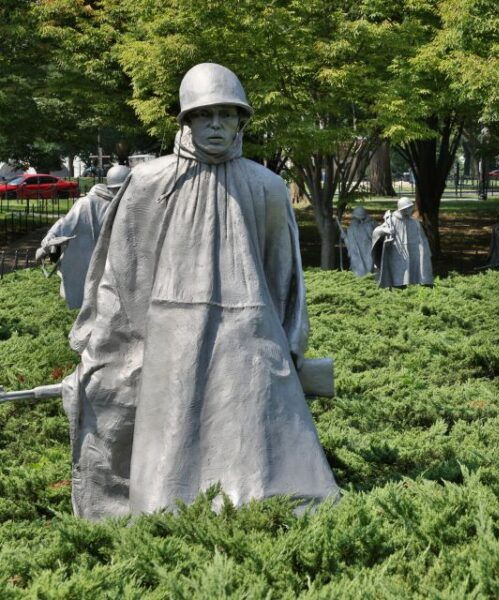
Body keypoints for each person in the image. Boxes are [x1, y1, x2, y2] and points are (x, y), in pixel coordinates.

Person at [64, 63, 338, 519]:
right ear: (187, 122)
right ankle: (169, 517)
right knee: (172, 442)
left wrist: (289, 343)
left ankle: (263, 511)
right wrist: (107, 343)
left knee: (253, 441)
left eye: (226, 116)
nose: (215, 126)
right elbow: (122, 272)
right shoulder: (149, 183)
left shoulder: (266, 187)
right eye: (204, 115)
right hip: (172, 332)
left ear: (240, 122)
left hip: (250, 331)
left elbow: (283, 275)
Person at [36, 165, 130, 309]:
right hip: (89, 262)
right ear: (113, 188)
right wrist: (46, 245)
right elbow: (64, 225)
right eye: (122, 189)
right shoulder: (87, 204)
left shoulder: (128, 206)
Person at [371, 197, 433, 288]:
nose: (409, 210)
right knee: (397, 274)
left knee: (411, 273)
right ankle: (397, 289)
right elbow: (376, 232)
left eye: (410, 207)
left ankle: (412, 287)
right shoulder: (391, 220)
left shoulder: (415, 222)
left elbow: (422, 239)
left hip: (412, 251)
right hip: (396, 251)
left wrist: (424, 252)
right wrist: (385, 231)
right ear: (401, 209)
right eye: (407, 208)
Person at [340, 205, 376, 276]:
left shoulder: (370, 226)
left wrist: (345, 237)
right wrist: (345, 237)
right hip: (359, 259)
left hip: (369, 256)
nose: (354, 220)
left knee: (369, 272)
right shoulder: (352, 229)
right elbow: (351, 245)